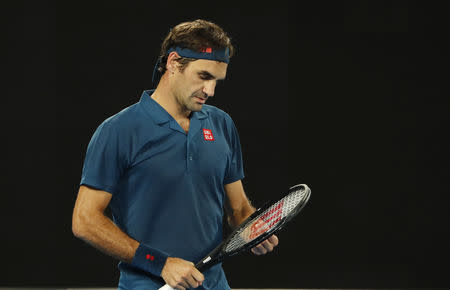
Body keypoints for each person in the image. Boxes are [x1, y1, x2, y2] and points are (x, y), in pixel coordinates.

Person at [72, 19, 278, 290]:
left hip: (214, 284)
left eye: (217, 80)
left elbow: (238, 208)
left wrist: (251, 228)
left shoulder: (221, 124)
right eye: (203, 76)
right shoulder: (118, 130)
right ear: (173, 63)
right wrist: (160, 263)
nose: (211, 91)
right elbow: (85, 221)